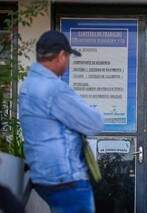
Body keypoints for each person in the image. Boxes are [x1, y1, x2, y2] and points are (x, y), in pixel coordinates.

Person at [19, 31, 104, 213]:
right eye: (68, 57)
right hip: (66, 179)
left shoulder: (28, 85)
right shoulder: (54, 89)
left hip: (43, 177)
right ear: (61, 56)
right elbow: (94, 123)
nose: (68, 63)